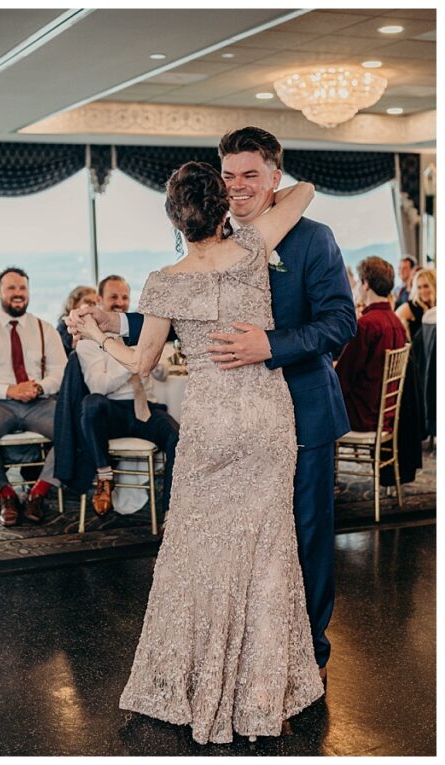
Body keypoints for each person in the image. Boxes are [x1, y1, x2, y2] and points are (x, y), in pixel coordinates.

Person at [70, 127, 356, 697]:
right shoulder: (237, 244)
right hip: (238, 419)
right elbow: (194, 307)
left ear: (275, 175)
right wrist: (116, 325)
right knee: (230, 543)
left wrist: (270, 345)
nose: (240, 185)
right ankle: (241, 658)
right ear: (217, 186)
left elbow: (339, 323)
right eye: (229, 176)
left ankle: (306, 657)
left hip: (301, 413)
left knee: (301, 539)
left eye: (252, 174)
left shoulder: (311, 239)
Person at [0, 267, 67, 526]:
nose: (18, 294)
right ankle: (6, 494)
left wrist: (39, 387)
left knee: (73, 428)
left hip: (38, 402)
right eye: (11, 288)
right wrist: (9, 390)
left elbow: (62, 373)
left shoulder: (45, 329)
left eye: (22, 288)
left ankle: (39, 492)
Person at [75, 273, 179, 519]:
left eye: (124, 297)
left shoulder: (141, 332)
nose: (120, 302)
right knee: (91, 404)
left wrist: (157, 361)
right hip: (111, 411)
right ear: (100, 300)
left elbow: (161, 375)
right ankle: (104, 476)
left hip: (144, 408)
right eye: (113, 297)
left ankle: (170, 513)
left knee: (177, 438)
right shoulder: (88, 341)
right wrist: (132, 358)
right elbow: (99, 386)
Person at [336, 257, 409, 432]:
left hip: (363, 415)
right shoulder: (396, 322)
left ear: (366, 284)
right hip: (384, 414)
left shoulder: (367, 324)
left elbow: (343, 376)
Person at [396, 267, 435, 341]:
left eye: (426, 286)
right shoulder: (413, 305)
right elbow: (395, 319)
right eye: (419, 287)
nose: (422, 291)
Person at [56, 285, 97, 353]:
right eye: (87, 302)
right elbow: (75, 345)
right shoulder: (64, 324)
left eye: (94, 304)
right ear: (74, 302)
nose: (91, 307)